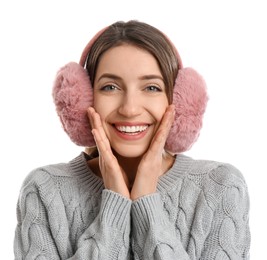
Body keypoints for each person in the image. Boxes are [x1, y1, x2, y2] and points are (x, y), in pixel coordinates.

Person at [14, 20, 250, 259]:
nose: (129, 109)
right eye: (110, 87)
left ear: (178, 102)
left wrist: (147, 202)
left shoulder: (221, 187)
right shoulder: (44, 189)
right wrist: (114, 206)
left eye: (151, 88)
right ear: (83, 101)